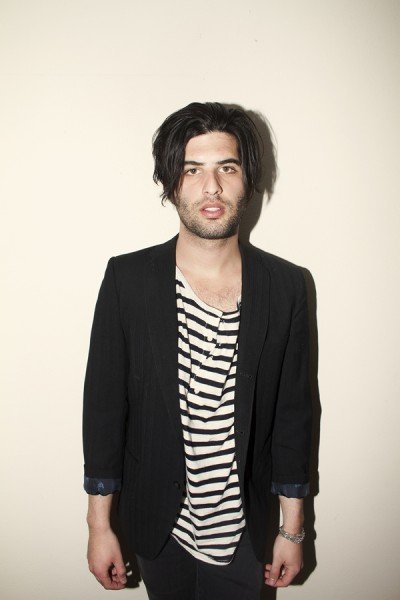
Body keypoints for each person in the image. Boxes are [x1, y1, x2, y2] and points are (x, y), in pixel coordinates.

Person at [82, 102, 313, 599]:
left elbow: (294, 415)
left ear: (247, 180)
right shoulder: (127, 280)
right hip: (158, 530)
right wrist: (99, 526)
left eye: (227, 168)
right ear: (172, 183)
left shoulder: (287, 287)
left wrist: (293, 529)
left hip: (244, 536)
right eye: (192, 170)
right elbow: (103, 410)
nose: (211, 187)